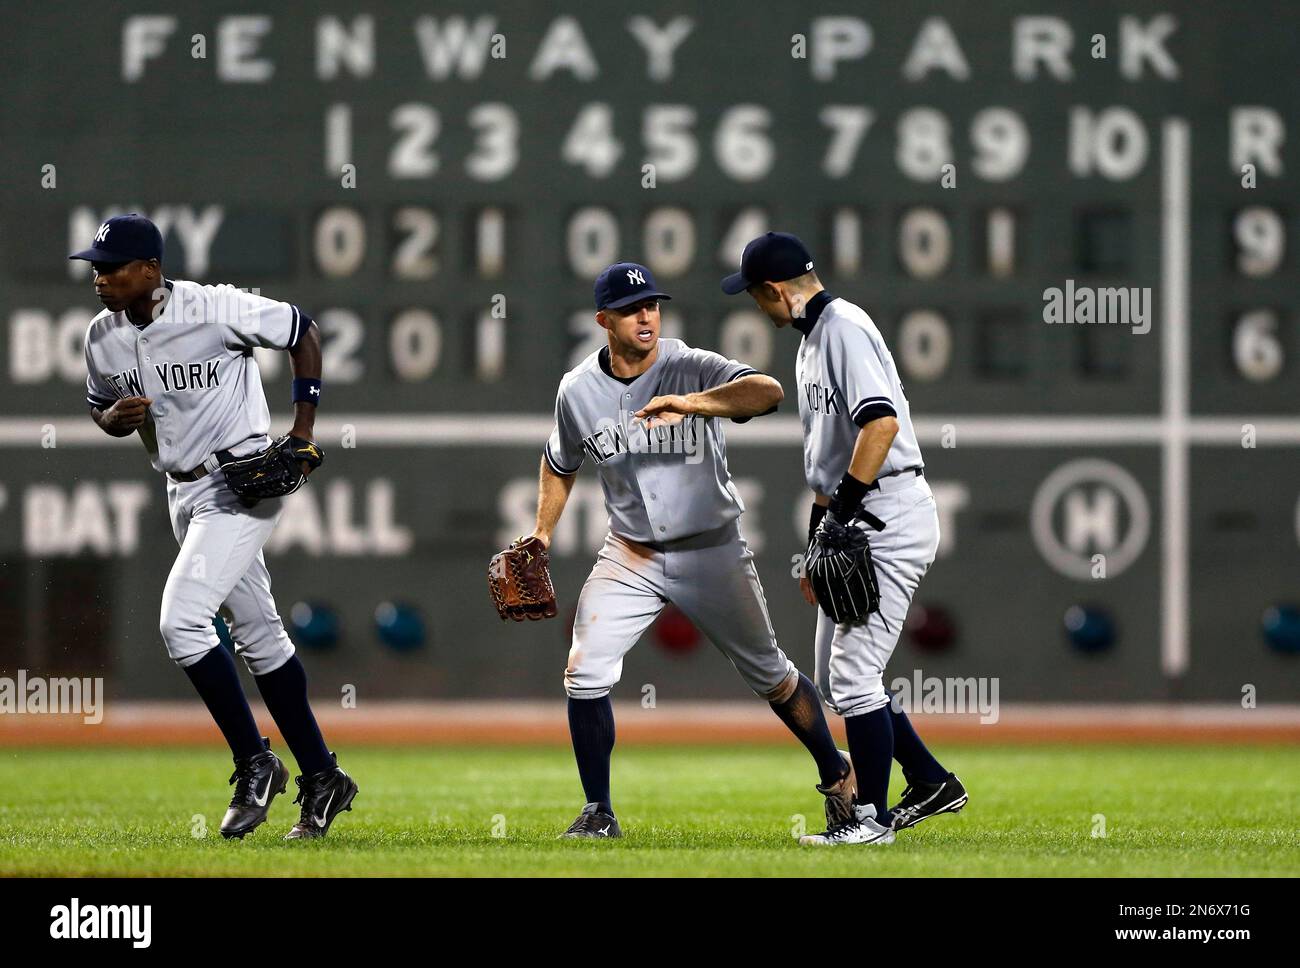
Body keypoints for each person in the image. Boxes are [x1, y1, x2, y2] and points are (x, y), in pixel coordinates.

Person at [528, 261, 855, 838]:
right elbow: (559, 463)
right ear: (604, 319)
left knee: (772, 675)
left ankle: (838, 774)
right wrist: (541, 534)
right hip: (631, 553)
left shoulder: (691, 365)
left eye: (652, 304)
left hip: (712, 550)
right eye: (631, 309)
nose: (646, 315)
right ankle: (598, 810)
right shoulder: (577, 390)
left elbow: (768, 391)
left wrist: (693, 403)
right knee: (584, 670)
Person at [74, 213, 357, 840]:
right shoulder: (102, 336)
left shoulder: (213, 308)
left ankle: (255, 760)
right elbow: (99, 406)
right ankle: (322, 776)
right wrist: (112, 421)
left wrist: (302, 430)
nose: (100, 277)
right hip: (182, 488)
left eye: (113, 266)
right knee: (259, 636)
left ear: (150, 270)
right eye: (95, 266)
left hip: (242, 480)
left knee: (181, 622)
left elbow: (302, 331)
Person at [723, 232, 967, 846]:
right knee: (835, 680)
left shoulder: (844, 327)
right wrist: (816, 544)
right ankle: (931, 781)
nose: (755, 305)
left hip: (888, 512)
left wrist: (842, 519)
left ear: (774, 290)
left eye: (754, 294)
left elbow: (880, 424)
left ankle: (870, 821)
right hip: (856, 515)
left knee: (856, 678)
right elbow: (831, 464)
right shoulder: (810, 343)